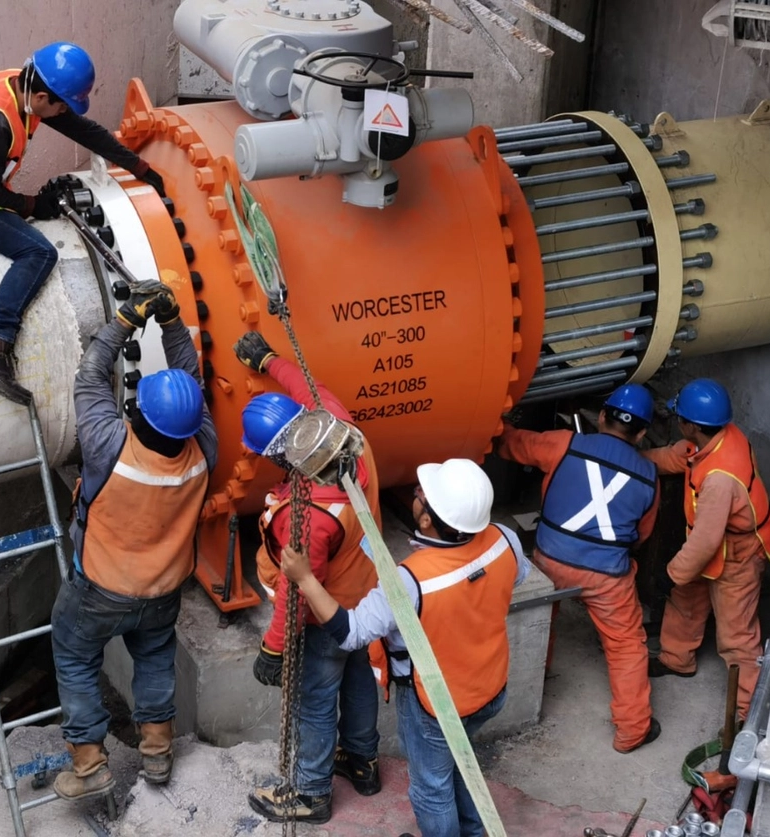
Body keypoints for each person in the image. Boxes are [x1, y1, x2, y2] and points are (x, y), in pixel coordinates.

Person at [0, 41, 166, 405]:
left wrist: (141, 169)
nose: (61, 114)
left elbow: (85, 131)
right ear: (42, 97)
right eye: (61, 106)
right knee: (37, 252)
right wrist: (33, 205)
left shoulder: (19, 85)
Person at [280, 459, 528, 837]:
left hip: (437, 706)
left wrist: (305, 579)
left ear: (427, 521)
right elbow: (517, 576)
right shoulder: (505, 540)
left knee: (432, 789)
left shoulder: (411, 581)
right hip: (491, 687)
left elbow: (350, 633)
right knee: (462, 765)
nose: (416, 493)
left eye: (421, 496)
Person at [50, 276, 217, 800]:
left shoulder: (108, 445)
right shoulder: (202, 451)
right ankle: (157, 756)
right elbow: (191, 378)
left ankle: (89, 763)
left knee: (74, 657)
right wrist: (171, 322)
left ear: (137, 412)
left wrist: (126, 321)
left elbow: (90, 377)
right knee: (154, 663)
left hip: (99, 588)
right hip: (163, 591)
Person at [234, 332, 382, 824]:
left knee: (315, 701)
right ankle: (362, 762)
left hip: (328, 614)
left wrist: (274, 648)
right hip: (366, 592)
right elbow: (308, 385)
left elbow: (298, 593)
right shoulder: (339, 432)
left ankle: (312, 793)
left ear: (281, 457)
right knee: (359, 678)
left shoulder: (306, 517)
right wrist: (269, 360)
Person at [494, 384, 661, 753]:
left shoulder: (564, 443)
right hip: (605, 574)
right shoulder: (650, 476)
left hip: (550, 559)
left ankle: (539, 672)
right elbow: (641, 535)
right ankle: (632, 730)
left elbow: (509, 443)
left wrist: (497, 417)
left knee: (543, 611)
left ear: (602, 417)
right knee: (626, 647)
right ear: (642, 433)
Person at [644, 378, 770, 718]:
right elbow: (679, 457)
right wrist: (633, 458)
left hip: (740, 555)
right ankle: (677, 659)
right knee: (686, 598)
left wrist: (670, 574)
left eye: (679, 419)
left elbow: (705, 542)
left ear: (691, 425)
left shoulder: (720, 478)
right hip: (716, 542)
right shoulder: (721, 436)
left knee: (737, 637)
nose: (677, 423)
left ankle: (746, 714)